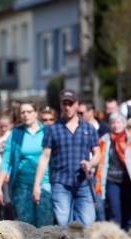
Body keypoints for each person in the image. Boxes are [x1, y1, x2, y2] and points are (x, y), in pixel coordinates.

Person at [33, 89, 101, 226]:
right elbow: (45, 157)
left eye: (70, 103)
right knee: (64, 225)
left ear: (77, 104)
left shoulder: (89, 128)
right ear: (60, 105)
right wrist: (36, 185)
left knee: (87, 223)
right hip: (61, 183)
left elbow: (98, 153)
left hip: (83, 183)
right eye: (64, 103)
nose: (67, 107)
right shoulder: (52, 129)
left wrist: (91, 163)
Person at [0, 101, 53, 227]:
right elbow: (5, 161)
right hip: (22, 186)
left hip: (45, 183)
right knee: (27, 226)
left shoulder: (47, 131)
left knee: (45, 225)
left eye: (29, 112)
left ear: (36, 113)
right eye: (22, 112)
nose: (26, 115)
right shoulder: (15, 133)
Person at [0, 113, 16, 220]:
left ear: (10, 125)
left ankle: (10, 221)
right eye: (1, 126)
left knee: (7, 200)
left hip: (7, 172)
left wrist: (9, 172)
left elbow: (12, 157)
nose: (3, 128)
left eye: (5, 126)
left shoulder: (11, 136)